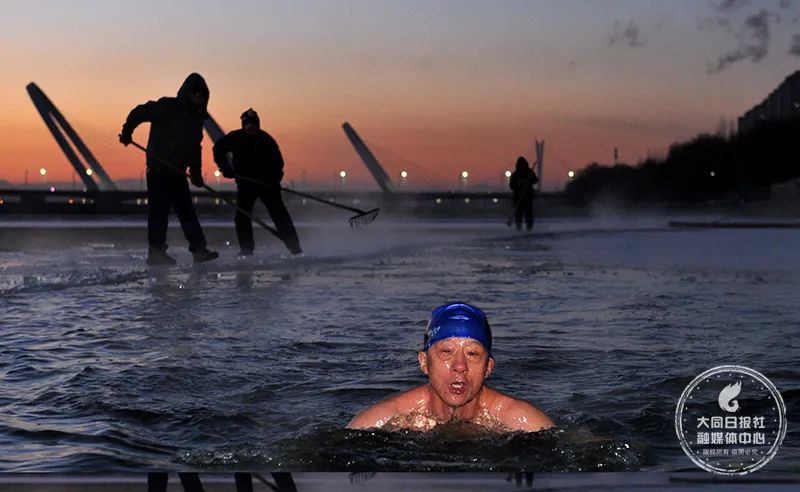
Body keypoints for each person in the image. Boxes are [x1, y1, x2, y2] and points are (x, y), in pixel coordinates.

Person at [347, 302, 554, 432]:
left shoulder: (521, 420)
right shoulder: (386, 418)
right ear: (424, 362)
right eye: (446, 351)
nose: (460, 366)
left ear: (488, 367)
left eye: (472, 354)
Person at [119, 73, 218, 266]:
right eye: (197, 93)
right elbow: (140, 112)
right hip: (158, 170)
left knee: (187, 212)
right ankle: (156, 253)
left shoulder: (196, 119)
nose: (200, 97)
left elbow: (194, 148)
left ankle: (199, 250)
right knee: (159, 213)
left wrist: (196, 173)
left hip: (178, 172)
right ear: (188, 92)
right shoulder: (167, 106)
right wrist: (127, 131)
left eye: (203, 95)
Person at [212, 108, 301, 256]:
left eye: (253, 125)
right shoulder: (235, 138)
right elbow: (218, 150)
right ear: (243, 126)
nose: (251, 128)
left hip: (267, 185)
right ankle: (246, 250)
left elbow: (278, 163)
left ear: (258, 125)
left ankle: (295, 247)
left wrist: (274, 181)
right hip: (246, 184)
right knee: (242, 217)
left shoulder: (266, 140)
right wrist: (226, 168)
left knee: (279, 215)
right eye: (248, 125)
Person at [509, 156, 539, 231]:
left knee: (528, 214)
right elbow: (511, 185)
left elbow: (535, 180)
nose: (521, 166)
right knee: (519, 214)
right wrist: (518, 184)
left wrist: (529, 180)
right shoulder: (515, 174)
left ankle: (529, 228)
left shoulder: (529, 172)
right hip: (518, 197)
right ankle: (519, 228)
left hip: (527, 197)